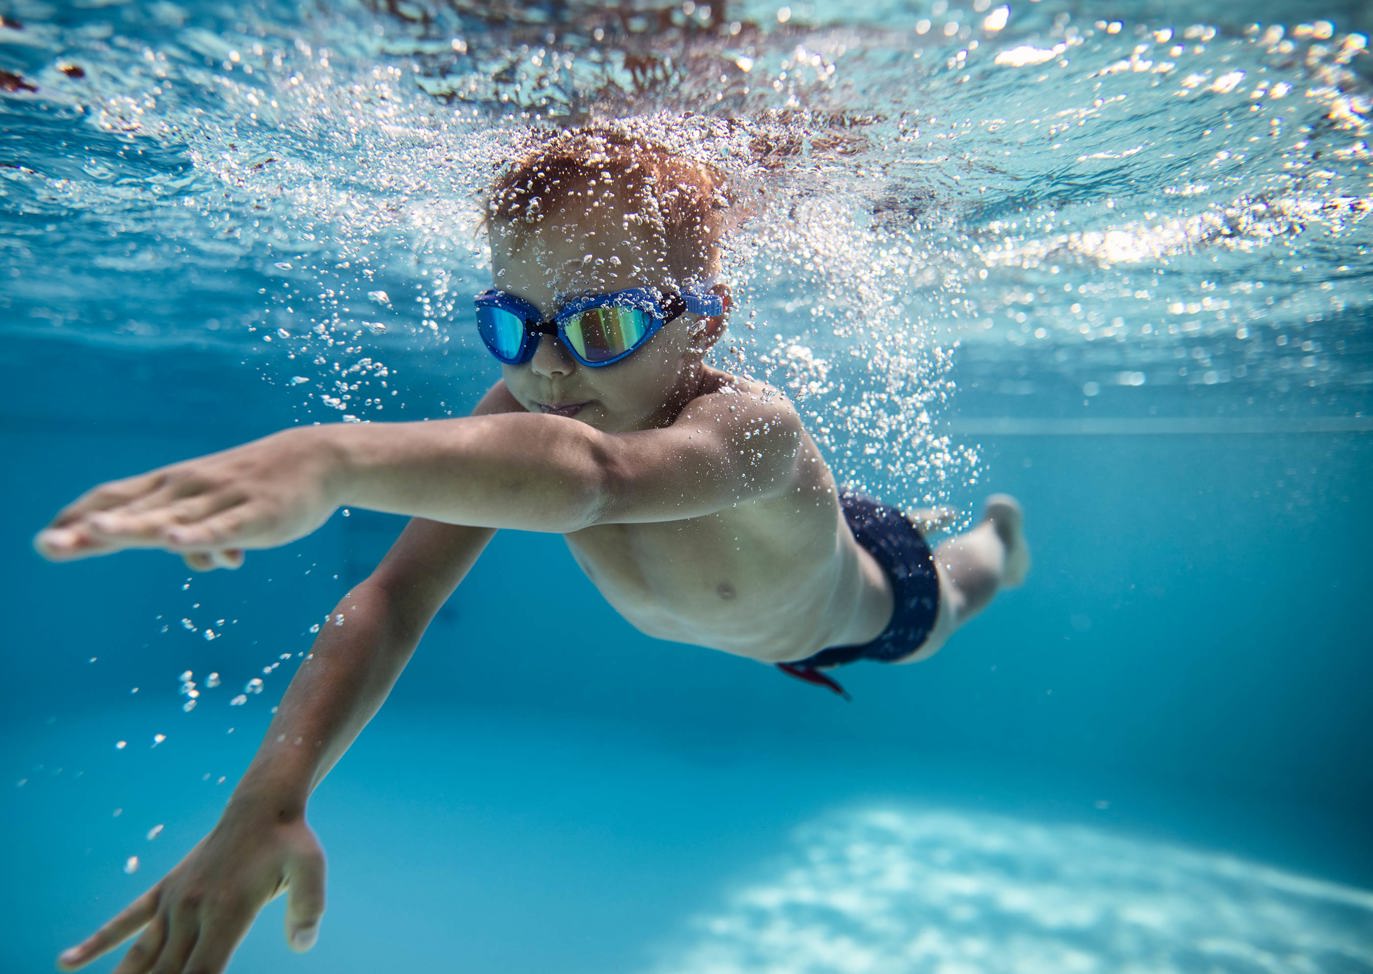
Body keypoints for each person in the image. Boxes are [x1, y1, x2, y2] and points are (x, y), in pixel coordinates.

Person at [36, 125, 1029, 974]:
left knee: (949, 595)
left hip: (858, 598)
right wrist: (271, 796)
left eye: (603, 322)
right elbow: (390, 598)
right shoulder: (532, 403)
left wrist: (331, 459)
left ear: (705, 318)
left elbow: (594, 478)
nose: (549, 364)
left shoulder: (751, 427)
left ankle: (996, 539)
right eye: (513, 326)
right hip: (753, 555)